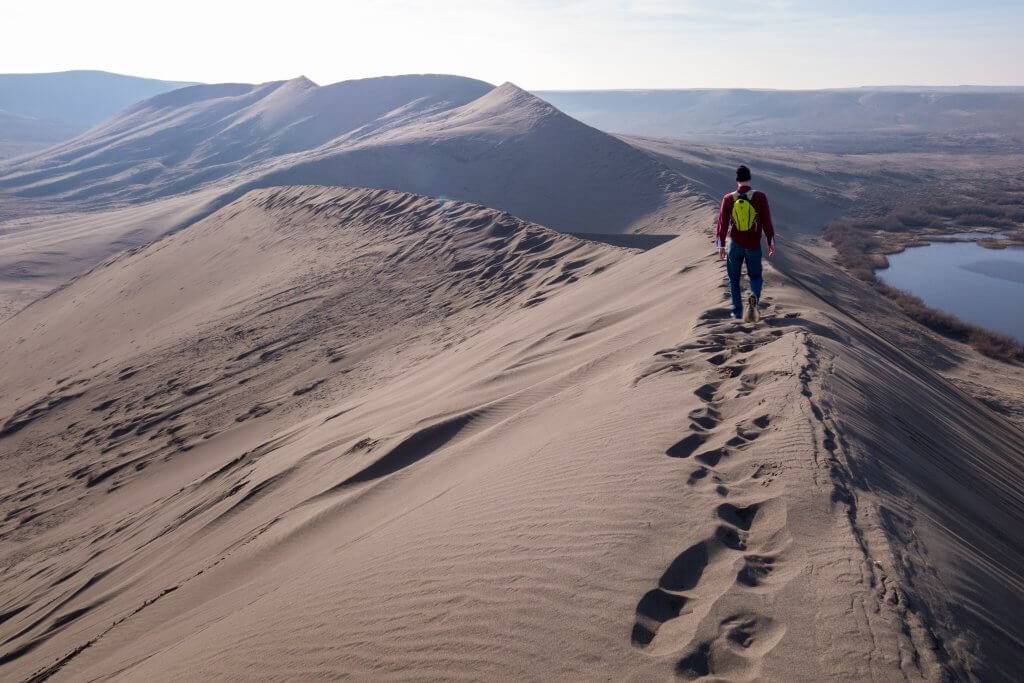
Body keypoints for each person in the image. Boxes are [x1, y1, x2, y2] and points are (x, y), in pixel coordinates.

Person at [715, 165, 776, 320]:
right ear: (749, 179)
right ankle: (753, 300)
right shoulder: (760, 197)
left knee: (733, 279)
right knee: (755, 277)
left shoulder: (729, 198)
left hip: (734, 244)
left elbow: (722, 223)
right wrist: (770, 241)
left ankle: (737, 313)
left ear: (737, 181)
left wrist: (721, 245)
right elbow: (767, 221)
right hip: (753, 244)